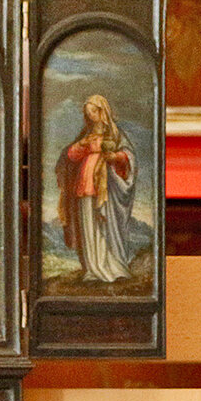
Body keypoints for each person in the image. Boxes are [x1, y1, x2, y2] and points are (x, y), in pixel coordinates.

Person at [55, 94, 137, 283]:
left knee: (103, 226)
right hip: (84, 187)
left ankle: (110, 266)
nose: (90, 116)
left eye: (92, 111)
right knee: (88, 227)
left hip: (106, 189)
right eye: (87, 113)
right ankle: (92, 269)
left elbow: (129, 156)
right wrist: (81, 146)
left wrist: (115, 157)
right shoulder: (86, 136)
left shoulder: (115, 135)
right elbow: (70, 156)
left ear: (102, 112)